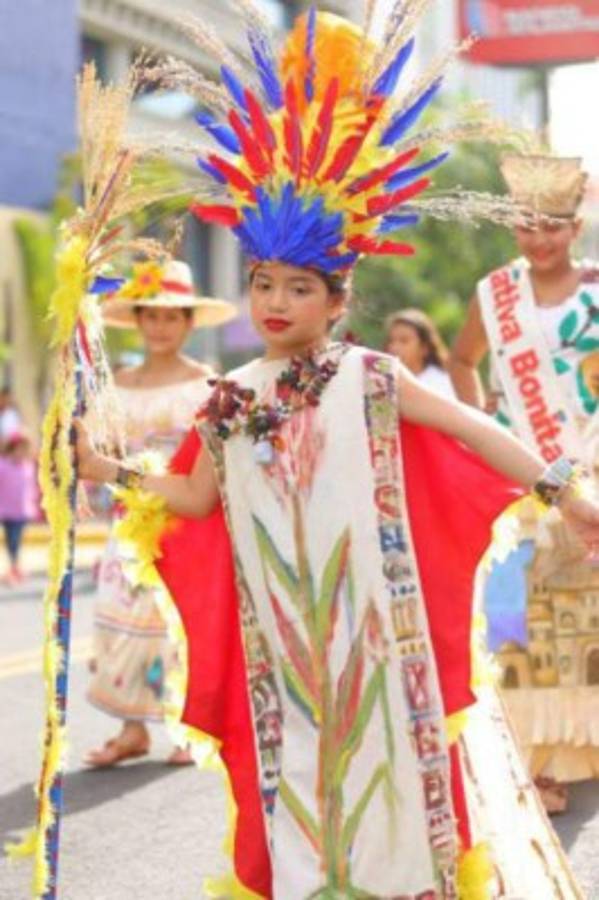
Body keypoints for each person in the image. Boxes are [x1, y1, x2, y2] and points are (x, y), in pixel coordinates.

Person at [71, 8, 593, 897]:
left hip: (381, 646)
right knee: (303, 801)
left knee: (390, 788)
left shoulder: (371, 377)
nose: (275, 302)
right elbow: (194, 500)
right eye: (263, 283)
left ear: (336, 297)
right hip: (280, 653)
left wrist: (563, 490)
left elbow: (472, 428)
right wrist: (108, 470)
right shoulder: (233, 398)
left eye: (298, 287)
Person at [449, 152, 599, 813]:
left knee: (580, 620)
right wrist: (481, 426)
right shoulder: (495, 293)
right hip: (521, 476)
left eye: (553, 226)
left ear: (575, 227)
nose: (538, 239)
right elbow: (462, 360)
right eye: (525, 225)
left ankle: (580, 742)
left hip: (591, 468)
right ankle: (536, 763)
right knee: (518, 622)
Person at [84, 259, 237, 767]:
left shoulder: (210, 385)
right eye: (152, 316)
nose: (161, 326)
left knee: (179, 617)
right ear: (139, 321)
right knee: (121, 616)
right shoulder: (115, 385)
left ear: (190, 323)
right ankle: (132, 729)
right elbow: (99, 451)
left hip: (187, 516)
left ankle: (183, 727)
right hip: (128, 519)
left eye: (172, 317)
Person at [385, 308, 456, 398]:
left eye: (404, 341)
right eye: (391, 340)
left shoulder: (439, 385)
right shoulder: (384, 383)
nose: (394, 347)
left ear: (424, 348)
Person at [0, 431, 37, 585]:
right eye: (19, 449)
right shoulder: (3, 465)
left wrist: (33, 504)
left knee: (16, 540)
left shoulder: (28, 467)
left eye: (25, 450)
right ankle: (15, 567)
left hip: (22, 511)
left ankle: (15, 567)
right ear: (12, 449)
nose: (21, 453)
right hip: (6, 510)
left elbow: (31, 488)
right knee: (12, 540)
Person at [0, 387, 22, 452]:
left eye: (7, 398)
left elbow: (17, 429)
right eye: (2, 398)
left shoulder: (13, 414)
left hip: (11, 446)